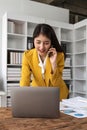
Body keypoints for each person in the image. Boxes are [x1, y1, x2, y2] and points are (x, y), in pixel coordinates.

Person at [20, 23, 68, 100]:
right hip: (38, 94)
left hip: (58, 94)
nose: (42, 47)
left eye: (46, 43)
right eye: (38, 42)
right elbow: (25, 79)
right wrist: (22, 97)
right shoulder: (27, 56)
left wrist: (53, 64)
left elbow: (57, 82)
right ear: (33, 41)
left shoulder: (59, 56)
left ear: (51, 43)